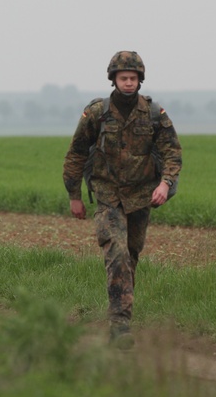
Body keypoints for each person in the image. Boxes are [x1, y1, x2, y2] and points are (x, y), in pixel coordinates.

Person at [62, 51, 182, 349]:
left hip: (142, 197)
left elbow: (172, 153)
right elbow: (76, 154)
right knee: (116, 255)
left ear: (140, 80)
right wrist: (74, 196)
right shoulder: (97, 113)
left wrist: (165, 184)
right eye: (123, 77)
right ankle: (120, 327)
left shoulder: (154, 113)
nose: (128, 82)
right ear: (113, 79)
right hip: (108, 196)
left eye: (133, 78)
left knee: (130, 257)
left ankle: (121, 316)